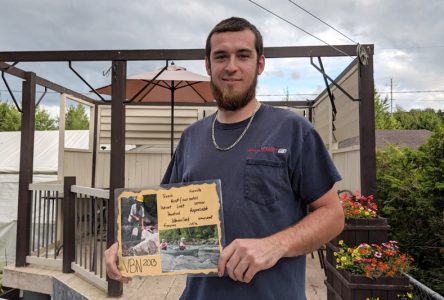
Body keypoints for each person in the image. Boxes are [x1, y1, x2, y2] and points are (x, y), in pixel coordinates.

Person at [105, 16, 344, 299]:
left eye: (243, 55)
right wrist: (127, 246)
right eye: (221, 56)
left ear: (260, 64)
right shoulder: (192, 137)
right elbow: (162, 219)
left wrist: (274, 246)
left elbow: (333, 215)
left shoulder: (293, 130)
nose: (231, 66)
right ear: (208, 65)